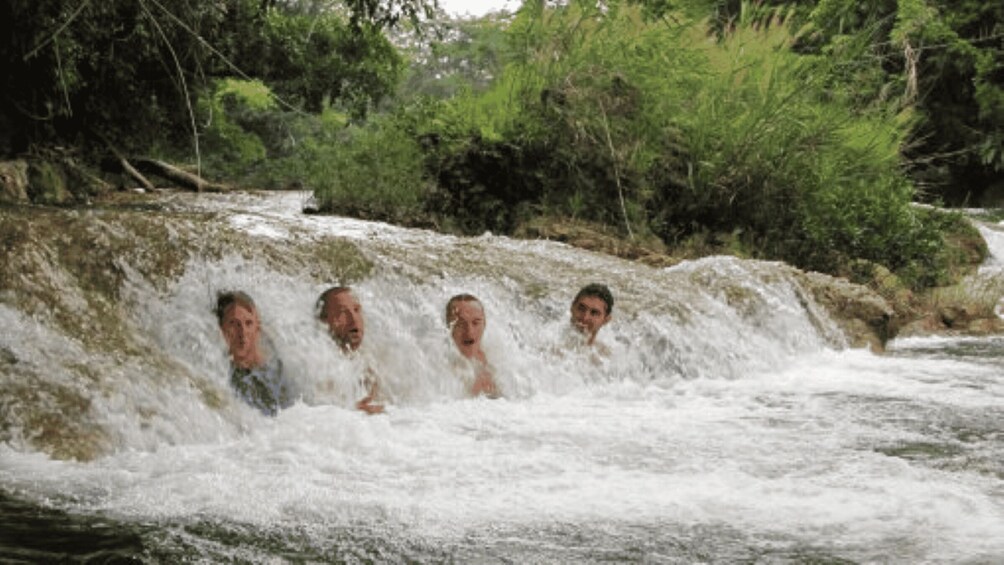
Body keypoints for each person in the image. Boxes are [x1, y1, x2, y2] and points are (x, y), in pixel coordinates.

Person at [216, 291, 292, 416]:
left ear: (257, 328)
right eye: (234, 324)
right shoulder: (218, 376)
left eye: (249, 323)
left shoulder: (278, 370)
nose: (243, 332)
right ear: (220, 328)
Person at [316, 286, 383, 414]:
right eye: (342, 312)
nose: (353, 319)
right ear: (323, 321)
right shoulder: (317, 364)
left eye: (356, 310)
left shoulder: (369, 361)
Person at [446, 294, 499, 398]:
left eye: (476, 323)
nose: (469, 332)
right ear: (448, 327)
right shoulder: (439, 370)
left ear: (484, 324)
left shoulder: (498, 361)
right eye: (460, 324)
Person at [569, 283, 614, 352]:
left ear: (606, 320)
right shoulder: (549, 345)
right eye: (581, 309)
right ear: (572, 307)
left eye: (594, 313)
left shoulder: (607, 359)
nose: (585, 318)